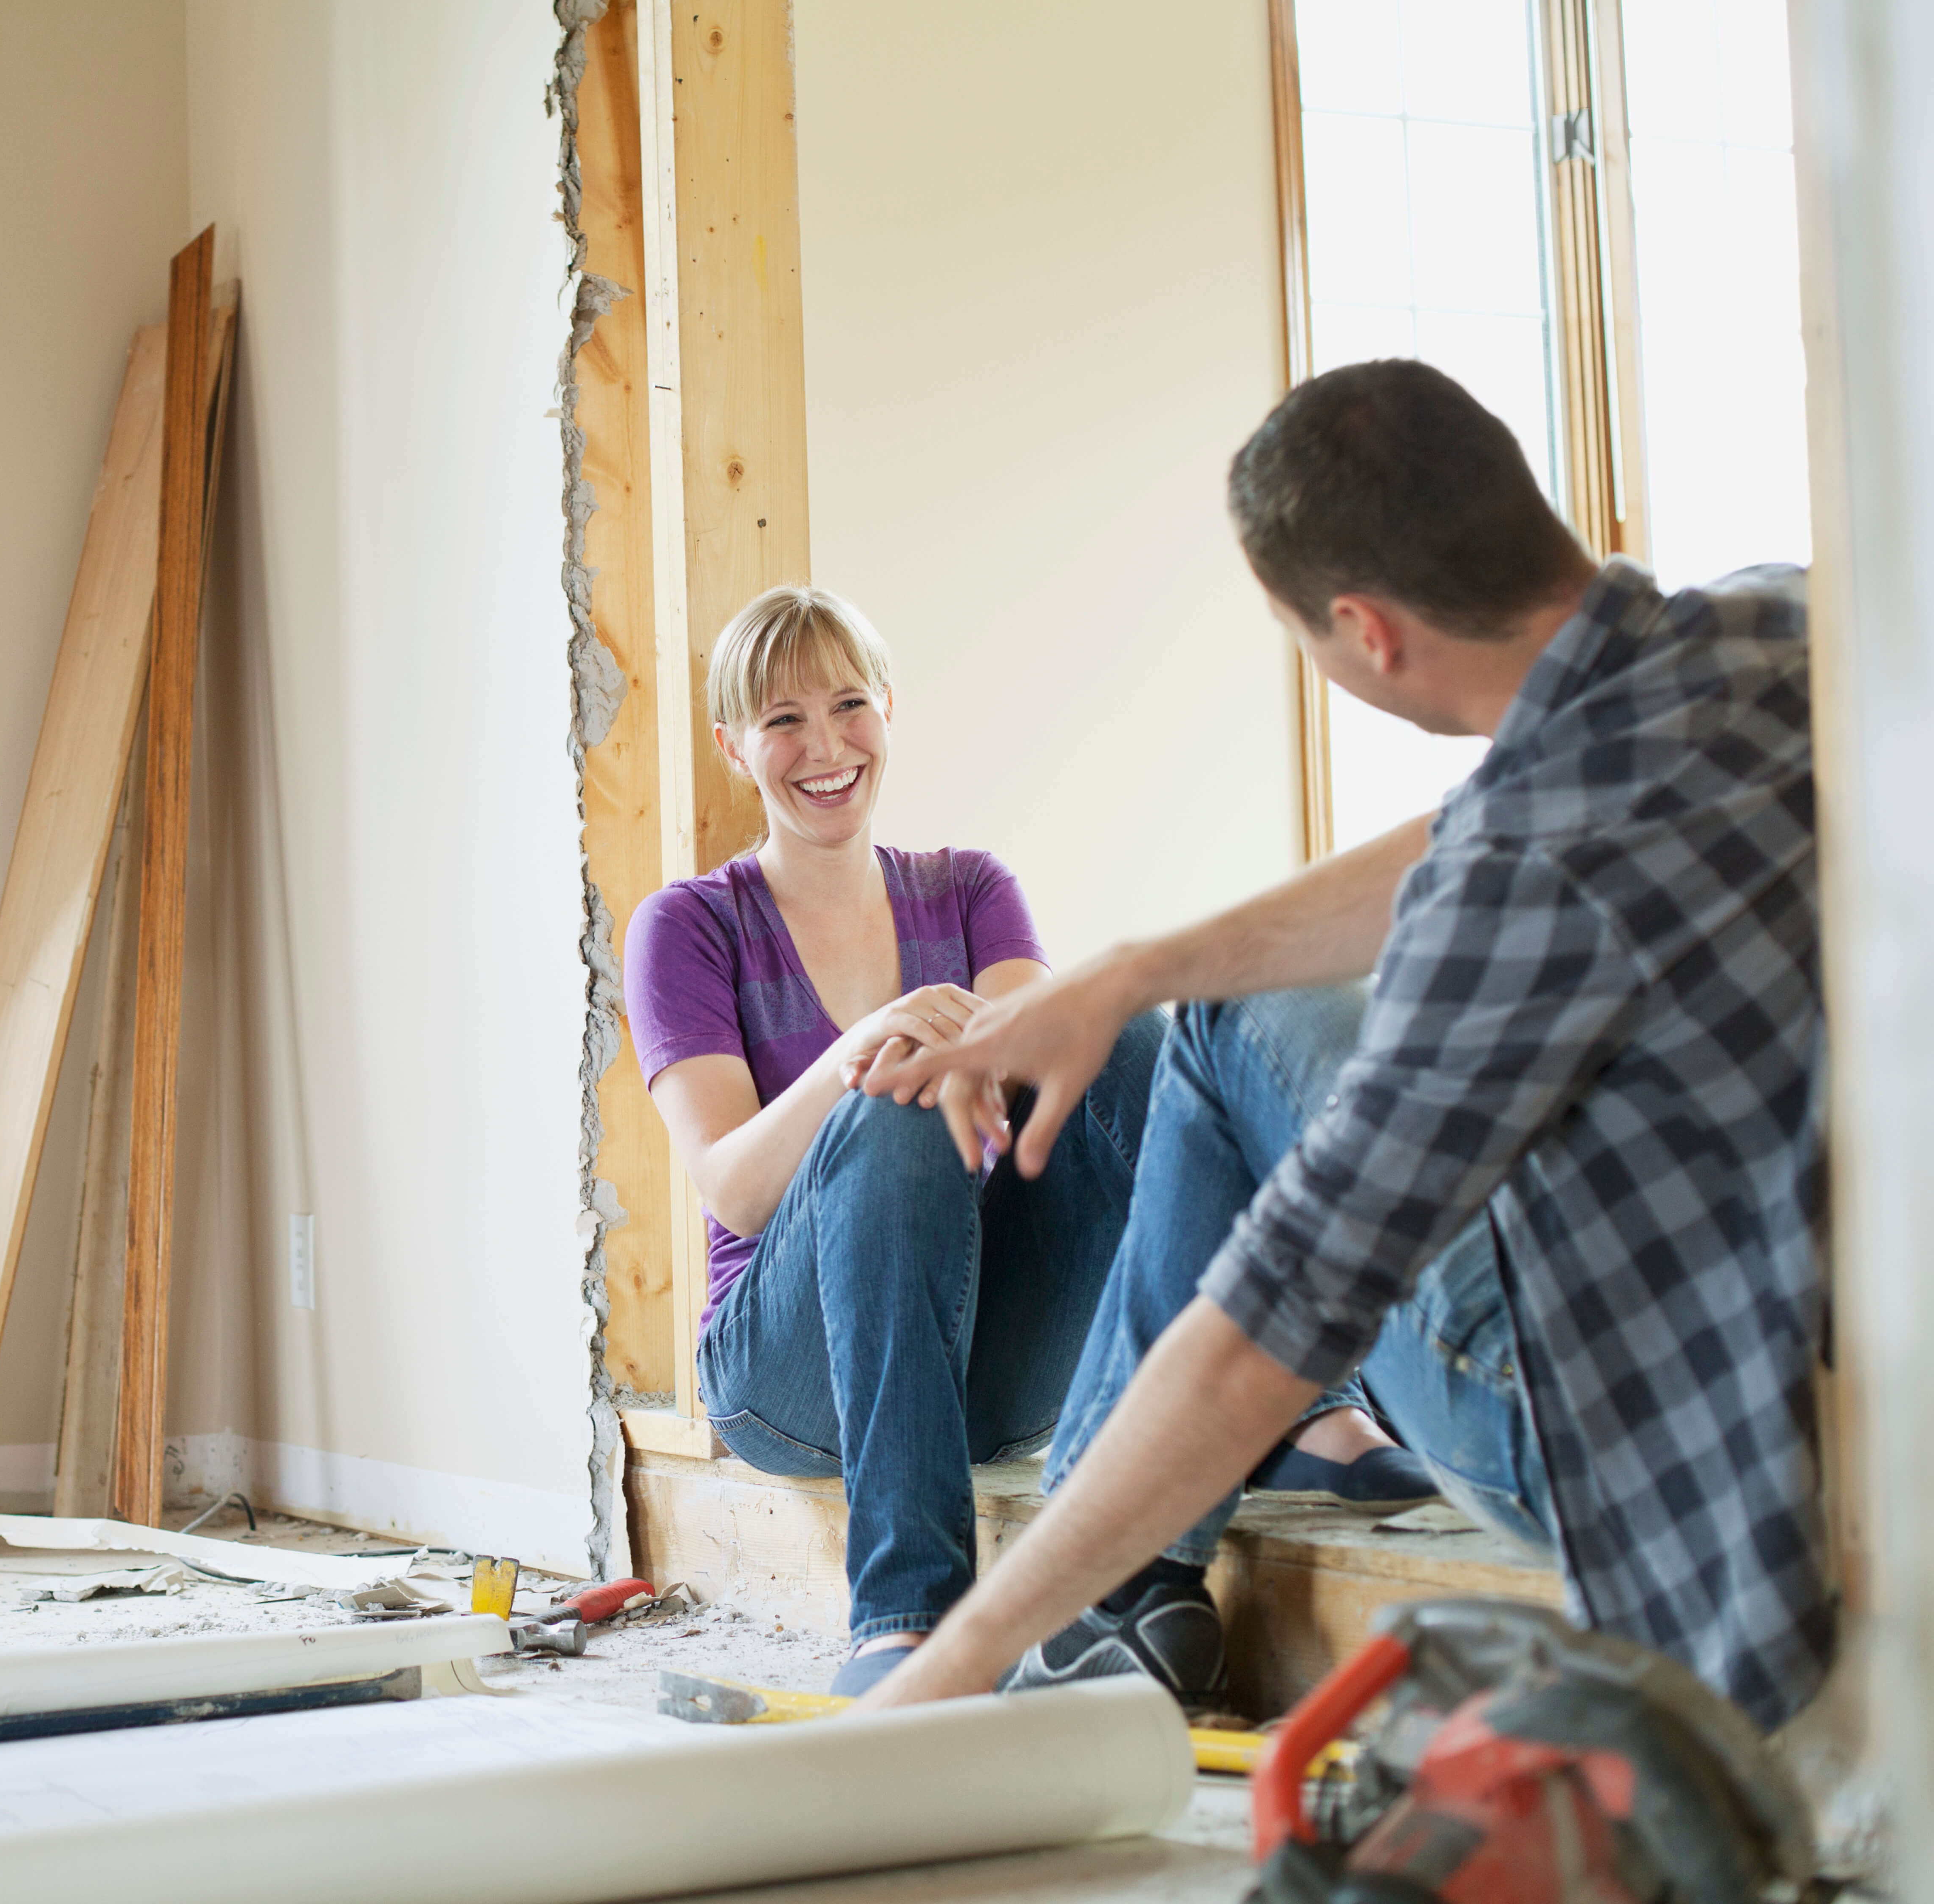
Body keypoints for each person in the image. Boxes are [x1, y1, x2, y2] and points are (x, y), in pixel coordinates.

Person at [853, 358, 1829, 1731]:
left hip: (1629, 1436)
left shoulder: (1519, 883)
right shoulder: (1786, 626)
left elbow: (1254, 1335)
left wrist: (942, 1677)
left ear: (1364, 632)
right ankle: (1134, 1600)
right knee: (1223, 1002)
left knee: (1225, 1061)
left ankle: (1100, 1612)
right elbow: (1484, 826)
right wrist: (1136, 966)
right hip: (1808, 1301)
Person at [621, 584, 1167, 1698]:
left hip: (981, 1361)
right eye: (782, 721)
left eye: (848, 704)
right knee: (890, 1103)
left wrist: (990, 1042)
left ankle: (1304, 1409)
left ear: (886, 713)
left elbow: (1054, 1085)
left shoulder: (971, 891)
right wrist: (863, 1046)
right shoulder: (688, 928)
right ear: (735, 745)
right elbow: (732, 1190)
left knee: (1126, 1029)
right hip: (791, 1376)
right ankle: (905, 1620)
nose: (824, 745)